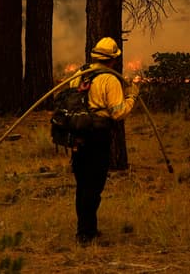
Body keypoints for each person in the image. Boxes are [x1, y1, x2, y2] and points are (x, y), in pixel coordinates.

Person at [69, 36, 138, 245]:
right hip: (97, 137)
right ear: (113, 60)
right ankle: (86, 234)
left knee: (82, 184)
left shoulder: (80, 74)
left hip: (78, 136)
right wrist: (132, 97)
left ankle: (86, 228)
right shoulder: (110, 80)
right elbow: (117, 113)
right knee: (94, 185)